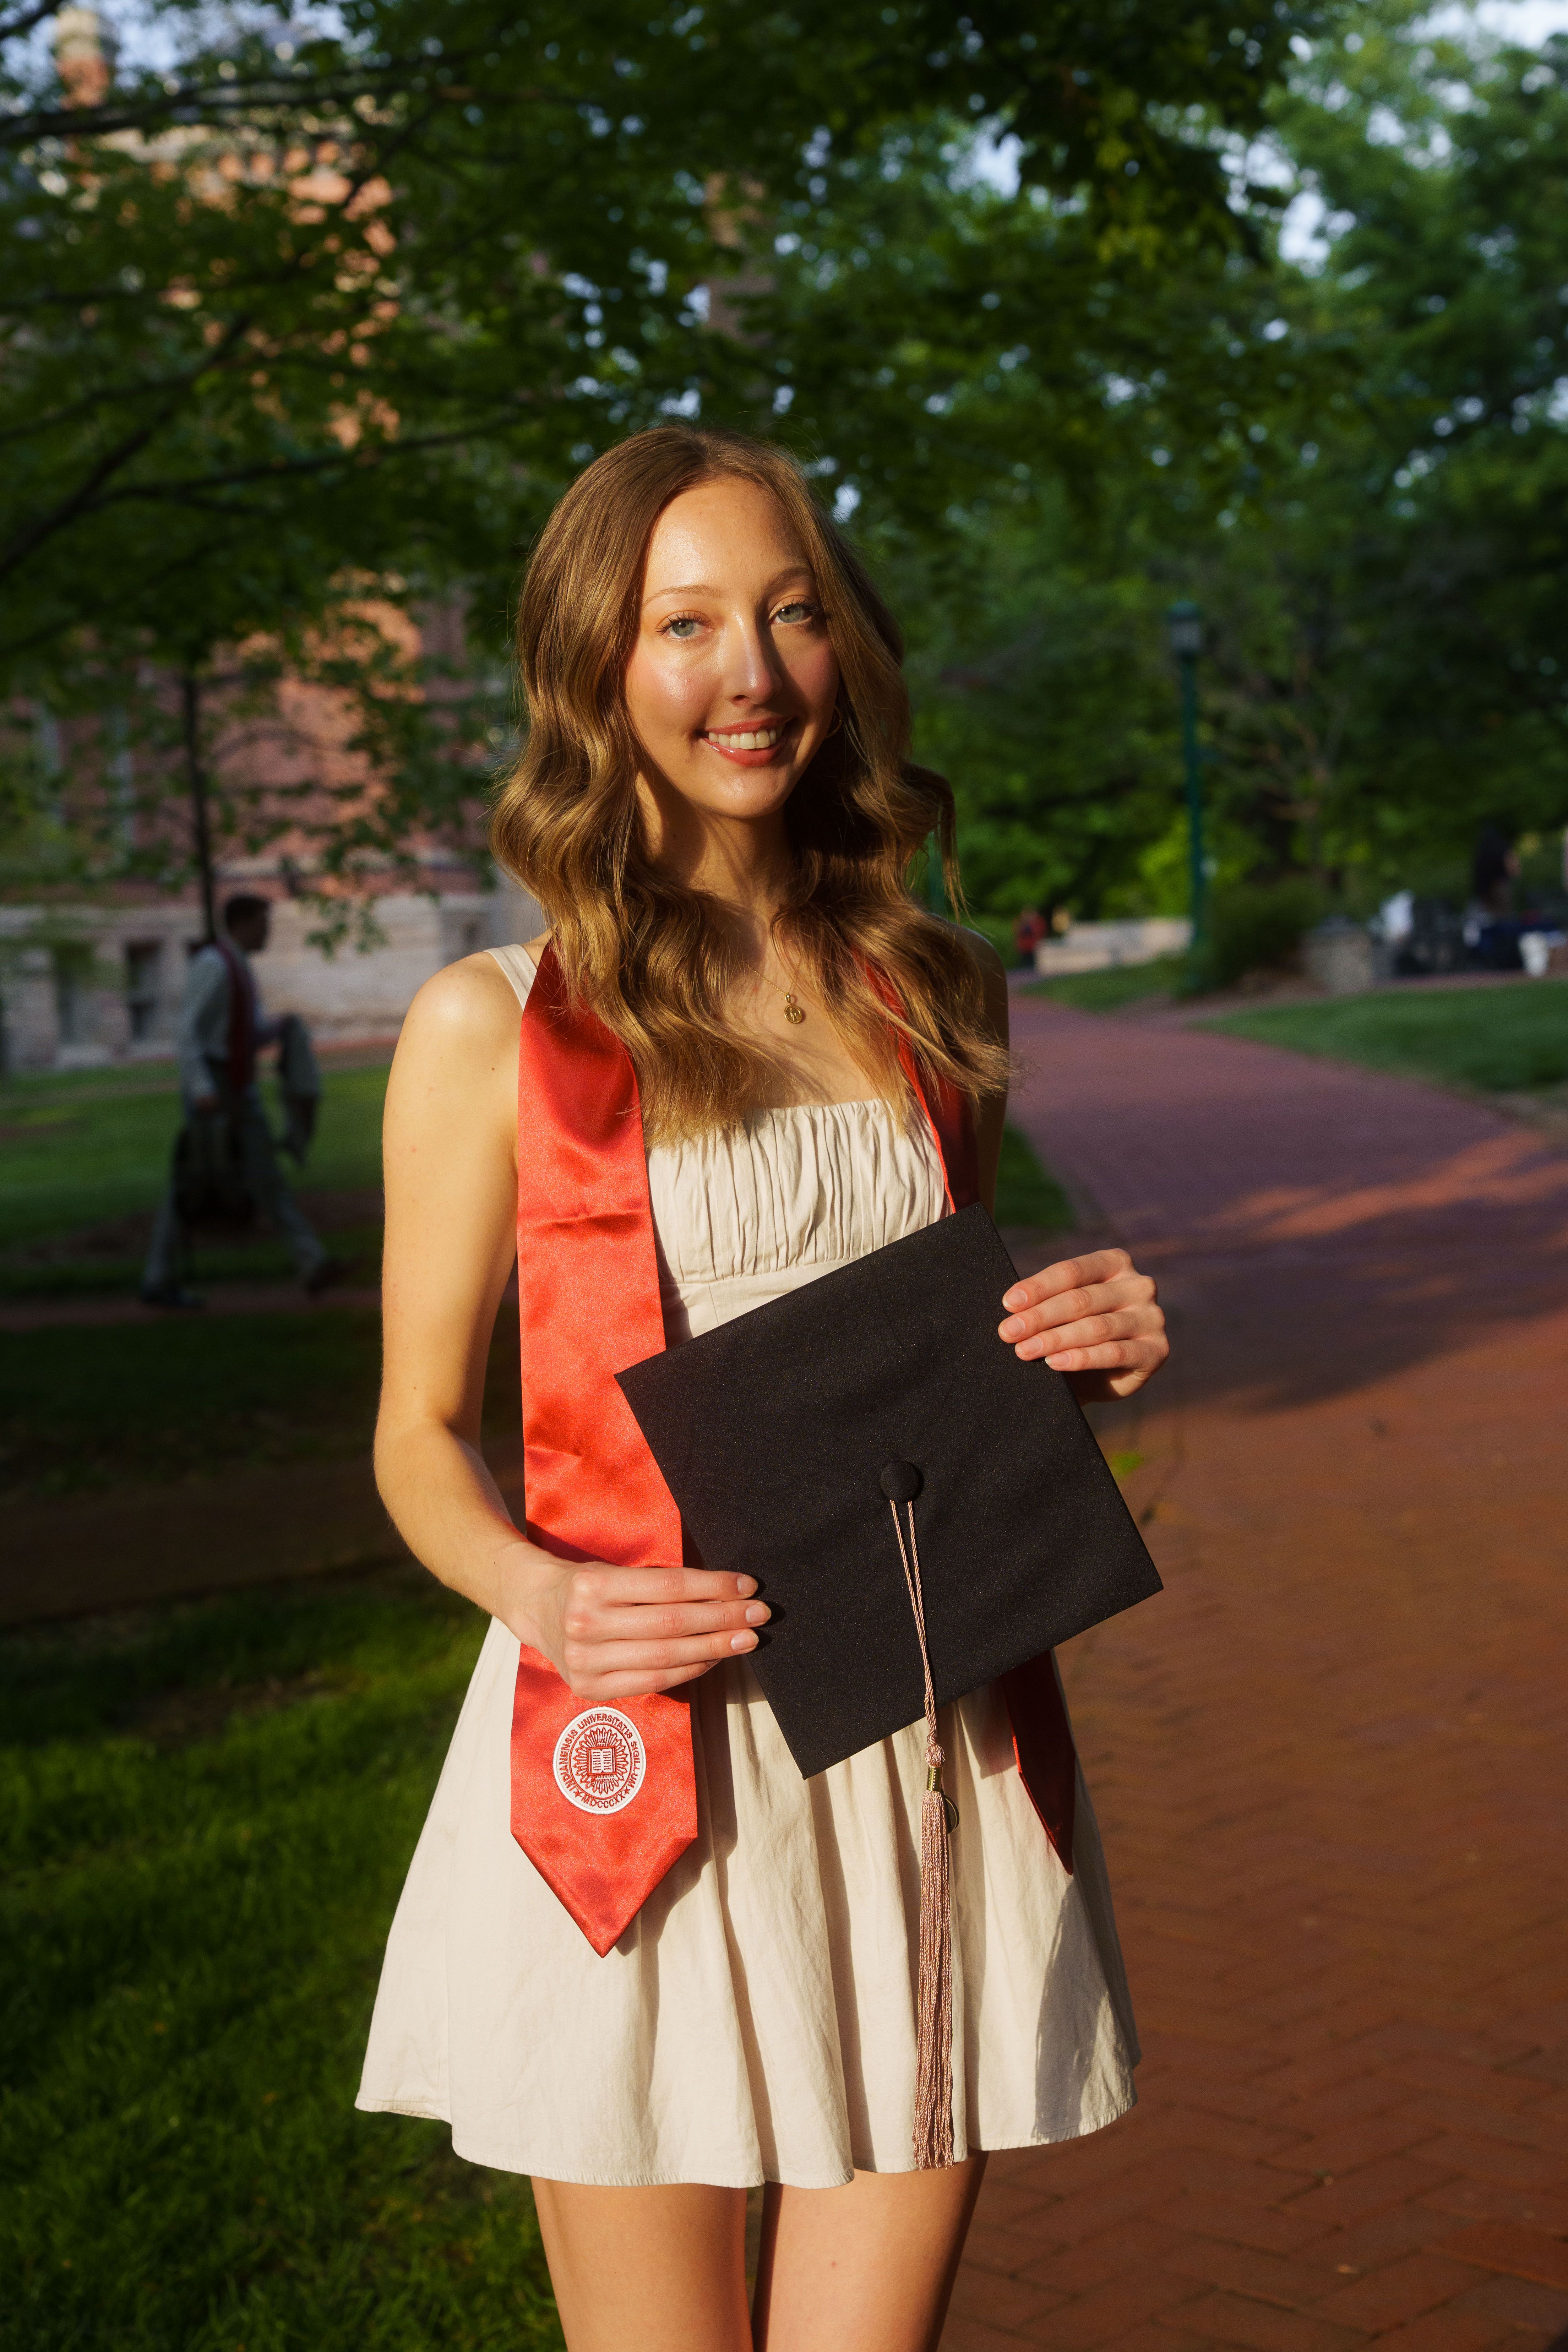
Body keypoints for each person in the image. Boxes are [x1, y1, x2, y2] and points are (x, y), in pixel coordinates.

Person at [358, 427, 1170, 2352]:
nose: (751, 673)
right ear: (594, 666)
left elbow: (924, 1368)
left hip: (916, 1747)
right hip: (651, 1761)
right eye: (687, 622)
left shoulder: (930, 991)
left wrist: (1088, 1350)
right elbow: (410, 1434)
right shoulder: (496, 1023)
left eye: (793, 613)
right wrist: (542, 1593)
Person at [140, 893, 337, 1307]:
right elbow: (189, 1031)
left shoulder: (239, 968)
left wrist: (278, 1029)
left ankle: (312, 1262)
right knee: (193, 1181)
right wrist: (203, 1090)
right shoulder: (213, 966)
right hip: (215, 1085)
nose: (268, 931)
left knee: (265, 1176)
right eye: (263, 923)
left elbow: (242, 1031)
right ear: (243, 923)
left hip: (237, 1085)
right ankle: (158, 1277)